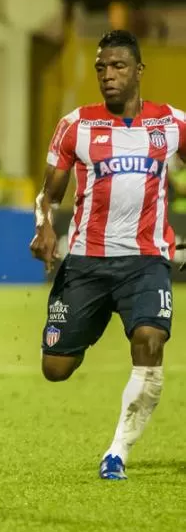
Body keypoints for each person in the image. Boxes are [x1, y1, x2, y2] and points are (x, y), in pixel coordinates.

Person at [30, 30, 186, 481]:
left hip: (145, 261)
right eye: (101, 68)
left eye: (118, 66)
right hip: (86, 262)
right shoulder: (76, 125)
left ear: (139, 71)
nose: (108, 75)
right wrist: (43, 227)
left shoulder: (171, 124)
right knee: (56, 368)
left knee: (150, 341)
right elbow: (47, 194)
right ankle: (90, 324)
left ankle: (117, 451)